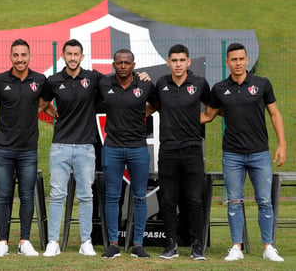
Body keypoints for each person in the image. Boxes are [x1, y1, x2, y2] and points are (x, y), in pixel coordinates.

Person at [201, 42, 286, 262]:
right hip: (232, 155)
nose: (238, 63)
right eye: (233, 59)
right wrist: (176, 114)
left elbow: (275, 114)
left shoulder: (262, 84)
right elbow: (208, 115)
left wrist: (282, 144)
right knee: (235, 201)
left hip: (260, 153)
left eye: (241, 59)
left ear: (247, 60)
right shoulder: (219, 89)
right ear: (227, 62)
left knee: (264, 201)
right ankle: (236, 247)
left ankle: (268, 247)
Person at [0, 39, 50, 258]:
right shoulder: (0, 79)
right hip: (3, 148)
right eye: (16, 55)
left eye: (24, 55)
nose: (20, 59)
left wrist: (69, 119)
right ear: (10, 57)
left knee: (26, 196)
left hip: (28, 149)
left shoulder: (40, 80)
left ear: (29, 57)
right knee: (3, 195)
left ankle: (24, 241)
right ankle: (2, 242)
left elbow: (47, 106)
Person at [40, 39, 103, 257]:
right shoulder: (54, 81)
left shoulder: (93, 78)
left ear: (82, 57)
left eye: (76, 54)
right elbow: (40, 103)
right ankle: (53, 242)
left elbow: (119, 81)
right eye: (69, 54)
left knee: (86, 196)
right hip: (60, 146)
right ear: (63, 56)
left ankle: (86, 241)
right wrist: (49, 110)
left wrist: (141, 76)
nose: (73, 58)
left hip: (86, 147)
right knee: (57, 195)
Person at [152, 44, 210, 261]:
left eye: (181, 60)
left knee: (194, 200)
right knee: (168, 200)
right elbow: (154, 106)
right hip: (167, 151)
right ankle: (170, 246)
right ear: (168, 62)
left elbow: (211, 109)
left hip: (192, 151)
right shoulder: (161, 84)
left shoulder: (199, 83)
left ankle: (197, 247)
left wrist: (195, 122)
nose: (178, 64)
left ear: (189, 61)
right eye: (174, 60)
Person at [99, 49, 157, 259]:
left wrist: (143, 113)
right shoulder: (104, 84)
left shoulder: (145, 84)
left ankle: (138, 245)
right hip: (112, 147)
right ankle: (113, 244)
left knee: (140, 197)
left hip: (138, 148)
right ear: (114, 64)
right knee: (113, 197)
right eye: (119, 62)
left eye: (127, 63)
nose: (123, 66)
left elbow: (157, 103)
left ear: (134, 65)